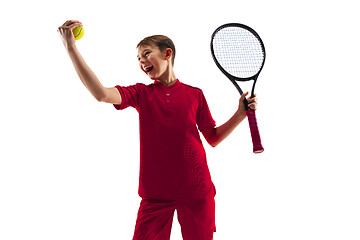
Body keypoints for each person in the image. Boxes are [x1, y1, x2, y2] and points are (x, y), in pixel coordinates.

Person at [58, 20, 258, 240]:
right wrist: (71, 48)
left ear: (167, 54)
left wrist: (240, 115)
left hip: (196, 191)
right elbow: (101, 94)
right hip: (155, 195)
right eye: (138, 59)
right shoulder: (141, 94)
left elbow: (212, 137)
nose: (142, 61)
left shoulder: (195, 94)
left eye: (146, 53)